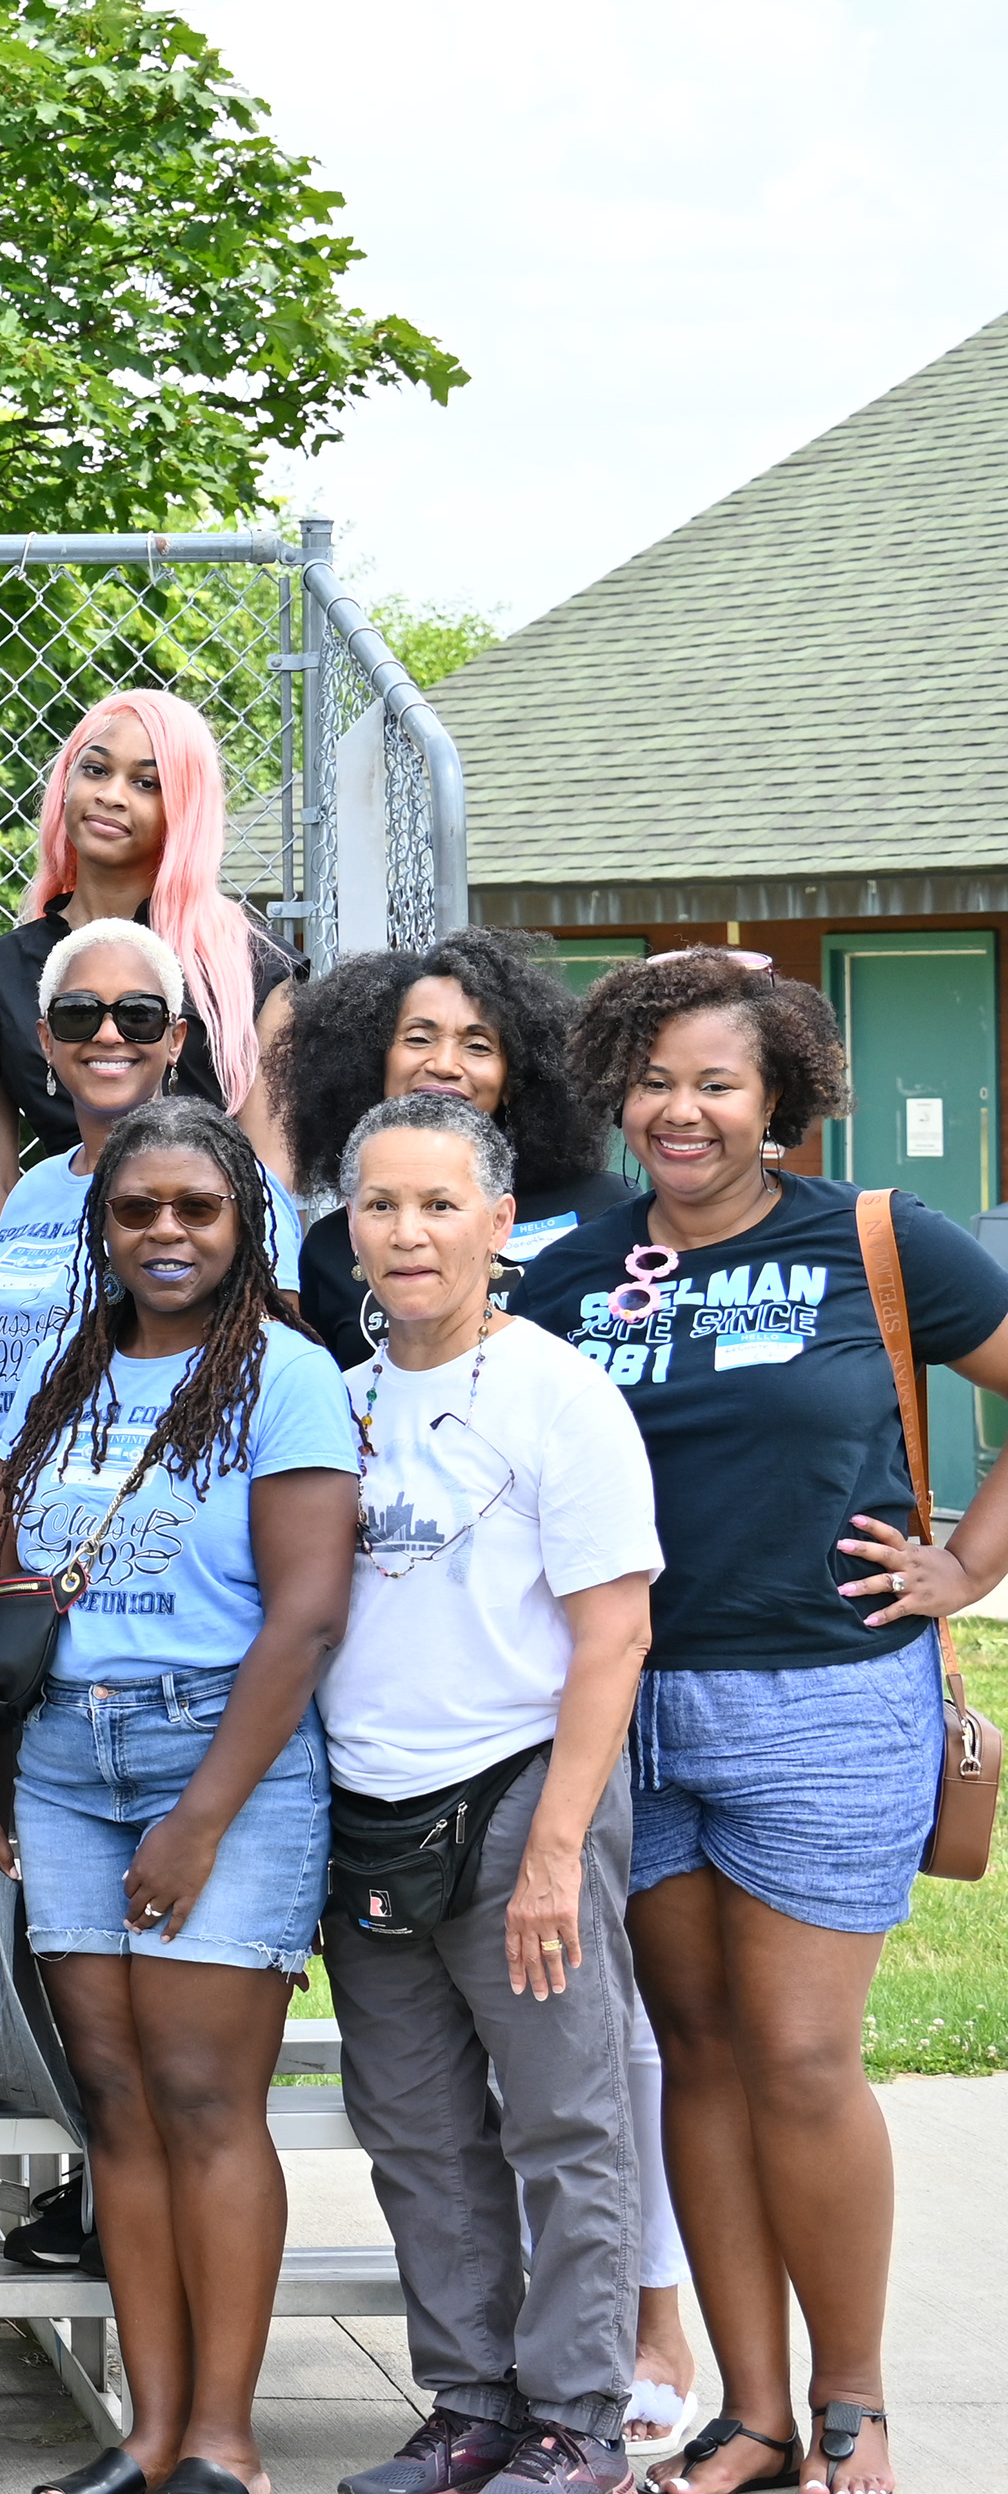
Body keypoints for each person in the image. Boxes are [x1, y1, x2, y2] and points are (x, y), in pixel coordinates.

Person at [514, 951, 1008, 2494]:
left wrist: (967, 1565)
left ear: (780, 1096)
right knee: (702, 2055)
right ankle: (752, 2413)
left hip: (824, 1698)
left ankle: (850, 2402)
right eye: (655, 1082)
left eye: (717, 1083)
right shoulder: (569, 1275)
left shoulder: (875, 1238)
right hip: (627, 1708)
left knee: (801, 2056)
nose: (682, 1111)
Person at [0, 1094, 359, 2494]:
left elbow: (303, 1618)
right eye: (136, 1211)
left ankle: (226, 2443)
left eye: (196, 1210)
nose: (165, 1233)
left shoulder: (286, 1375)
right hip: (60, 1763)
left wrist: (202, 1817)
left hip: (211, 1760)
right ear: (98, 1228)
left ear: (245, 1225)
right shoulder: (68, 1367)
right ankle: (152, 2429)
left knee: (203, 2098)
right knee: (113, 2108)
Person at [315, 1094, 662, 2494]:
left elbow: (615, 1634)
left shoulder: (558, 1395)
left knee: (565, 2122)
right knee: (413, 2123)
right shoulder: (330, 1400)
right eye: (382, 1205)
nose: (408, 1233)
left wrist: (556, 1851)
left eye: (440, 1204)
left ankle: (577, 2419)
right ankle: (469, 2406)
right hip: (371, 1808)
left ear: (499, 1225)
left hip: (521, 1789)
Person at [0, 919, 303, 1502]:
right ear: (46, 1040)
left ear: (175, 1040)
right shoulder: (33, 1190)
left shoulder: (240, 1187)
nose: (107, 1034)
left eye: (138, 1015)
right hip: (4, 1516)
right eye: (79, 1014)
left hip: (152, 1519)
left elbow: (272, 1375)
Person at [0, 689, 298, 1228]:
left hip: (211, 1257)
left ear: (184, 807)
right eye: (95, 770)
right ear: (65, 785)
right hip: (58, 1263)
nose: (110, 795)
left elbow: (271, 1176)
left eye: (146, 782)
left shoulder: (256, 966)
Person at [269, 930, 634, 1369]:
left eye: (478, 1046)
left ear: (517, 1077)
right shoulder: (333, 1247)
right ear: (370, 1061)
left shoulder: (606, 1211)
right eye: (419, 1038)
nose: (443, 1064)